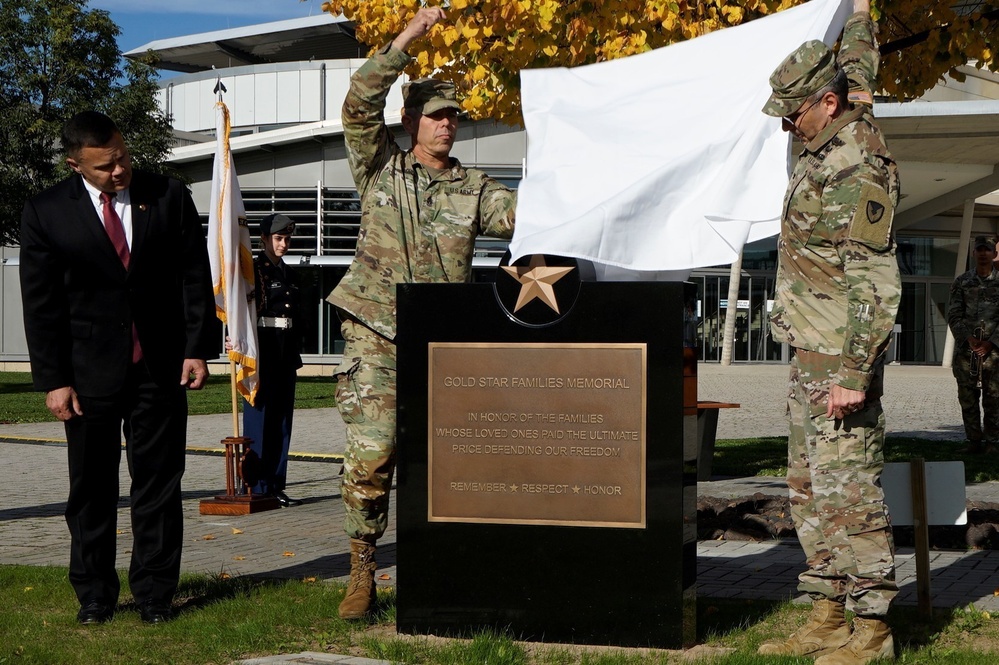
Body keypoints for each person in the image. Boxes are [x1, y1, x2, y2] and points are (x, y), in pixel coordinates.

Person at [327, 6, 516, 619]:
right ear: (411, 121)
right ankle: (363, 569)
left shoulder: (476, 188)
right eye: (435, 117)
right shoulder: (380, 165)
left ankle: (444, 566)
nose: (446, 128)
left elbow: (528, 220)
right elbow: (358, 104)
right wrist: (407, 39)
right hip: (377, 333)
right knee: (374, 451)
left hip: (445, 342)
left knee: (449, 459)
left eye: (453, 119)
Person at [19, 111, 218, 625]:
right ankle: (94, 595)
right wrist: (55, 380)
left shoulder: (169, 194)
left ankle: (155, 592)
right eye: (107, 166)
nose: (121, 170)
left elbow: (194, 276)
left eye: (124, 157)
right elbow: (41, 305)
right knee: (91, 487)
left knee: (158, 482)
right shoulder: (45, 213)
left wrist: (197, 348)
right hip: (87, 375)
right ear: (75, 164)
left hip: (160, 366)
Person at [757, 1, 902, 663]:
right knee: (805, 486)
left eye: (792, 112)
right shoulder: (838, 112)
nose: (785, 124)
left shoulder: (854, 171)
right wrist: (861, 11)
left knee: (851, 491)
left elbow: (876, 284)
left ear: (825, 102)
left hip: (838, 355)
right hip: (805, 349)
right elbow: (856, 61)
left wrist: (852, 374)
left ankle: (871, 627)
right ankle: (826, 607)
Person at [243, 213, 304, 506]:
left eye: (288, 238)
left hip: (285, 353)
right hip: (262, 353)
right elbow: (241, 310)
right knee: (259, 421)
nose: (284, 243)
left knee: (281, 422)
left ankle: (276, 484)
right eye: (279, 238)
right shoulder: (253, 271)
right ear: (265, 239)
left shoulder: (289, 274)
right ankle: (254, 485)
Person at [946, 235, 999, 454]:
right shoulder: (962, 281)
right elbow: (954, 314)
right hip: (966, 352)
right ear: (974, 253)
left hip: (994, 353)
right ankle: (973, 441)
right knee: (967, 398)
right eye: (980, 249)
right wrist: (968, 338)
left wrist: (991, 343)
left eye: (987, 249)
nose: (983, 253)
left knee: (994, 398)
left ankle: (993, 443)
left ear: (994, 253)